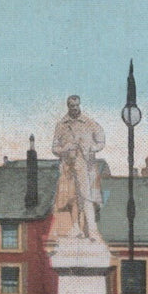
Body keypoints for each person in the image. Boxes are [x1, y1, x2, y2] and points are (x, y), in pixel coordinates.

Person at [52, 95, 106, 240]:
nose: (74, 108)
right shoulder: (61, 125)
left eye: (76, 105)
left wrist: (91, 148)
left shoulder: (88, 123)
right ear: (67, 106)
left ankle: (92, 230)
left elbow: (101, 141)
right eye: (71, 106)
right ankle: (76, 228)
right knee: (71, 198)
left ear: (79, 105)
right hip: (67, 167)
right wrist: (65, 149)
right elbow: (54, 148)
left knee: (87, 197)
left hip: (85, 166)